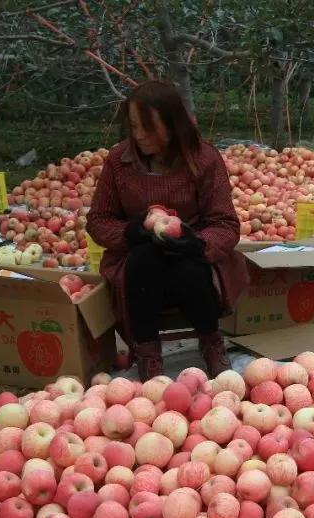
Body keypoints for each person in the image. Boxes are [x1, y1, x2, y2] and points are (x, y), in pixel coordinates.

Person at [87, 80, 248, 381]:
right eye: (134, 127)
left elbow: (226, 223)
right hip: (137, 262)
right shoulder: (118, 162)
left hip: (194, 258)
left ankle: (211, 343)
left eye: (149, 128)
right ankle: (148, 354)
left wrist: (196, 243)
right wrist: (133, 231)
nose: (140, 136)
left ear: (173, 125)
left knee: (187, 266)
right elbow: (98, 221)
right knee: (146, 257)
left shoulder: (204, 159)